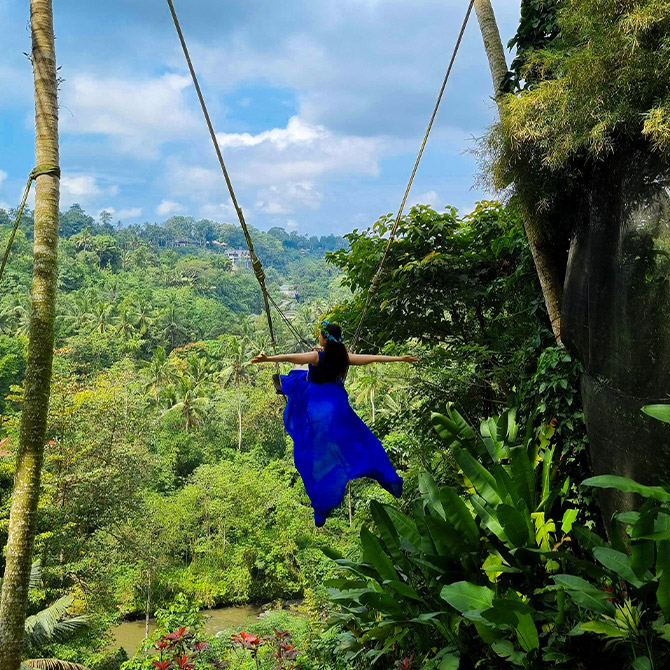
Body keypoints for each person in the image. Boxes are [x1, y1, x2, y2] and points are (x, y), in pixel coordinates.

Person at [251, 321, 418, 526]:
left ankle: (321, 504)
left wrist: (267, 359)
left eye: (320, 336)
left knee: (298, 372)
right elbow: (371, 358)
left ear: (323, 339)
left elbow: (292, 357)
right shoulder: (343, 357)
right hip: (336, 400)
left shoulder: (317, 356)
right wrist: (400, 358)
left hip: (314, 397)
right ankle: (386, 476)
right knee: (362, 438)